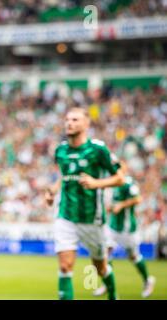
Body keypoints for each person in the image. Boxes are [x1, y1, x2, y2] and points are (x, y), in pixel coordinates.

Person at [45, 107, 125, 300]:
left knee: (100, 268)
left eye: (75, 119)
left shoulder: (98, 149)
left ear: (86, 124)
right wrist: (53, 190)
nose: (69, 123)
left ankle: (113, 294)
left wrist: (97, 183)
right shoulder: (61, 150)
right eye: (67, 119)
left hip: (92, 219)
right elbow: (64, 175)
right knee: (65, 266)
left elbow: (120, 178)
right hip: (66, 215)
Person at [93, 162, 156, 298]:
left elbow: (138, 199)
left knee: (133, 256)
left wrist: (121, 205)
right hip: (113, 227)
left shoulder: (128, 183)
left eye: (118, 168)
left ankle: (147, 280)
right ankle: (107, 283)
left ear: (124, 169)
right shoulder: (113, 184)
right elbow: (112, 205)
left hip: (127, 228)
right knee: (105, 254)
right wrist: (110, 208)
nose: (114, 170)